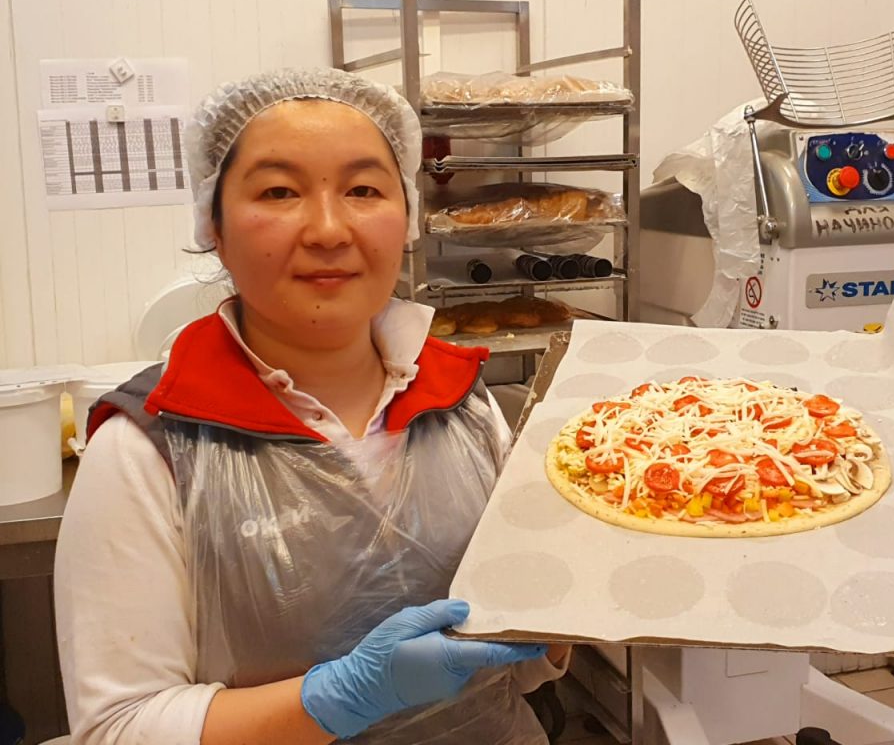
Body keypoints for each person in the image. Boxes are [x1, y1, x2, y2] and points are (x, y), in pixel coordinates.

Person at [54, 68, 570, 745]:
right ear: (213, 224)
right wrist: (339, 698)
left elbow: (519, 666)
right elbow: (117, 729)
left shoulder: (463, 402)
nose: (328, 229)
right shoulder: (149, 447)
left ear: (407, 218)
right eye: (279, 191)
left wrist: (570, 603)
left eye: (363, 190)